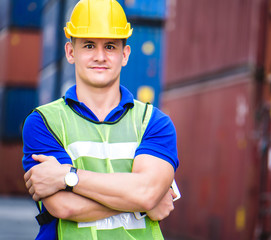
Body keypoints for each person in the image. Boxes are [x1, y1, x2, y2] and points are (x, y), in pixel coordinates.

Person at [22, 0, 179, 239]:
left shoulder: (155, 123)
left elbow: (146, 192)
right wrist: (144, 207)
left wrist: (67, 176)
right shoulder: (43, 122)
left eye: (110, 46)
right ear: (70, 52)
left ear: (125, 55)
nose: (99, 56)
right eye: (88, 45)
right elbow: (65, 206)